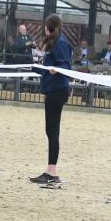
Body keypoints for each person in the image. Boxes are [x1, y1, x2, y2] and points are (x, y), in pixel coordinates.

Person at [31, 14, 73, 184]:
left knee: (52, 130)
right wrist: (35, 67)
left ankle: (51, 171)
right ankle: (51, 170)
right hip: (53, 89)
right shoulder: (54, 43)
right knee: (51, 130)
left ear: (49, 28)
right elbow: (47, 69)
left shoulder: (60, 43)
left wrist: (57, 69)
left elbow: (65, 65)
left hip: (57, 90)